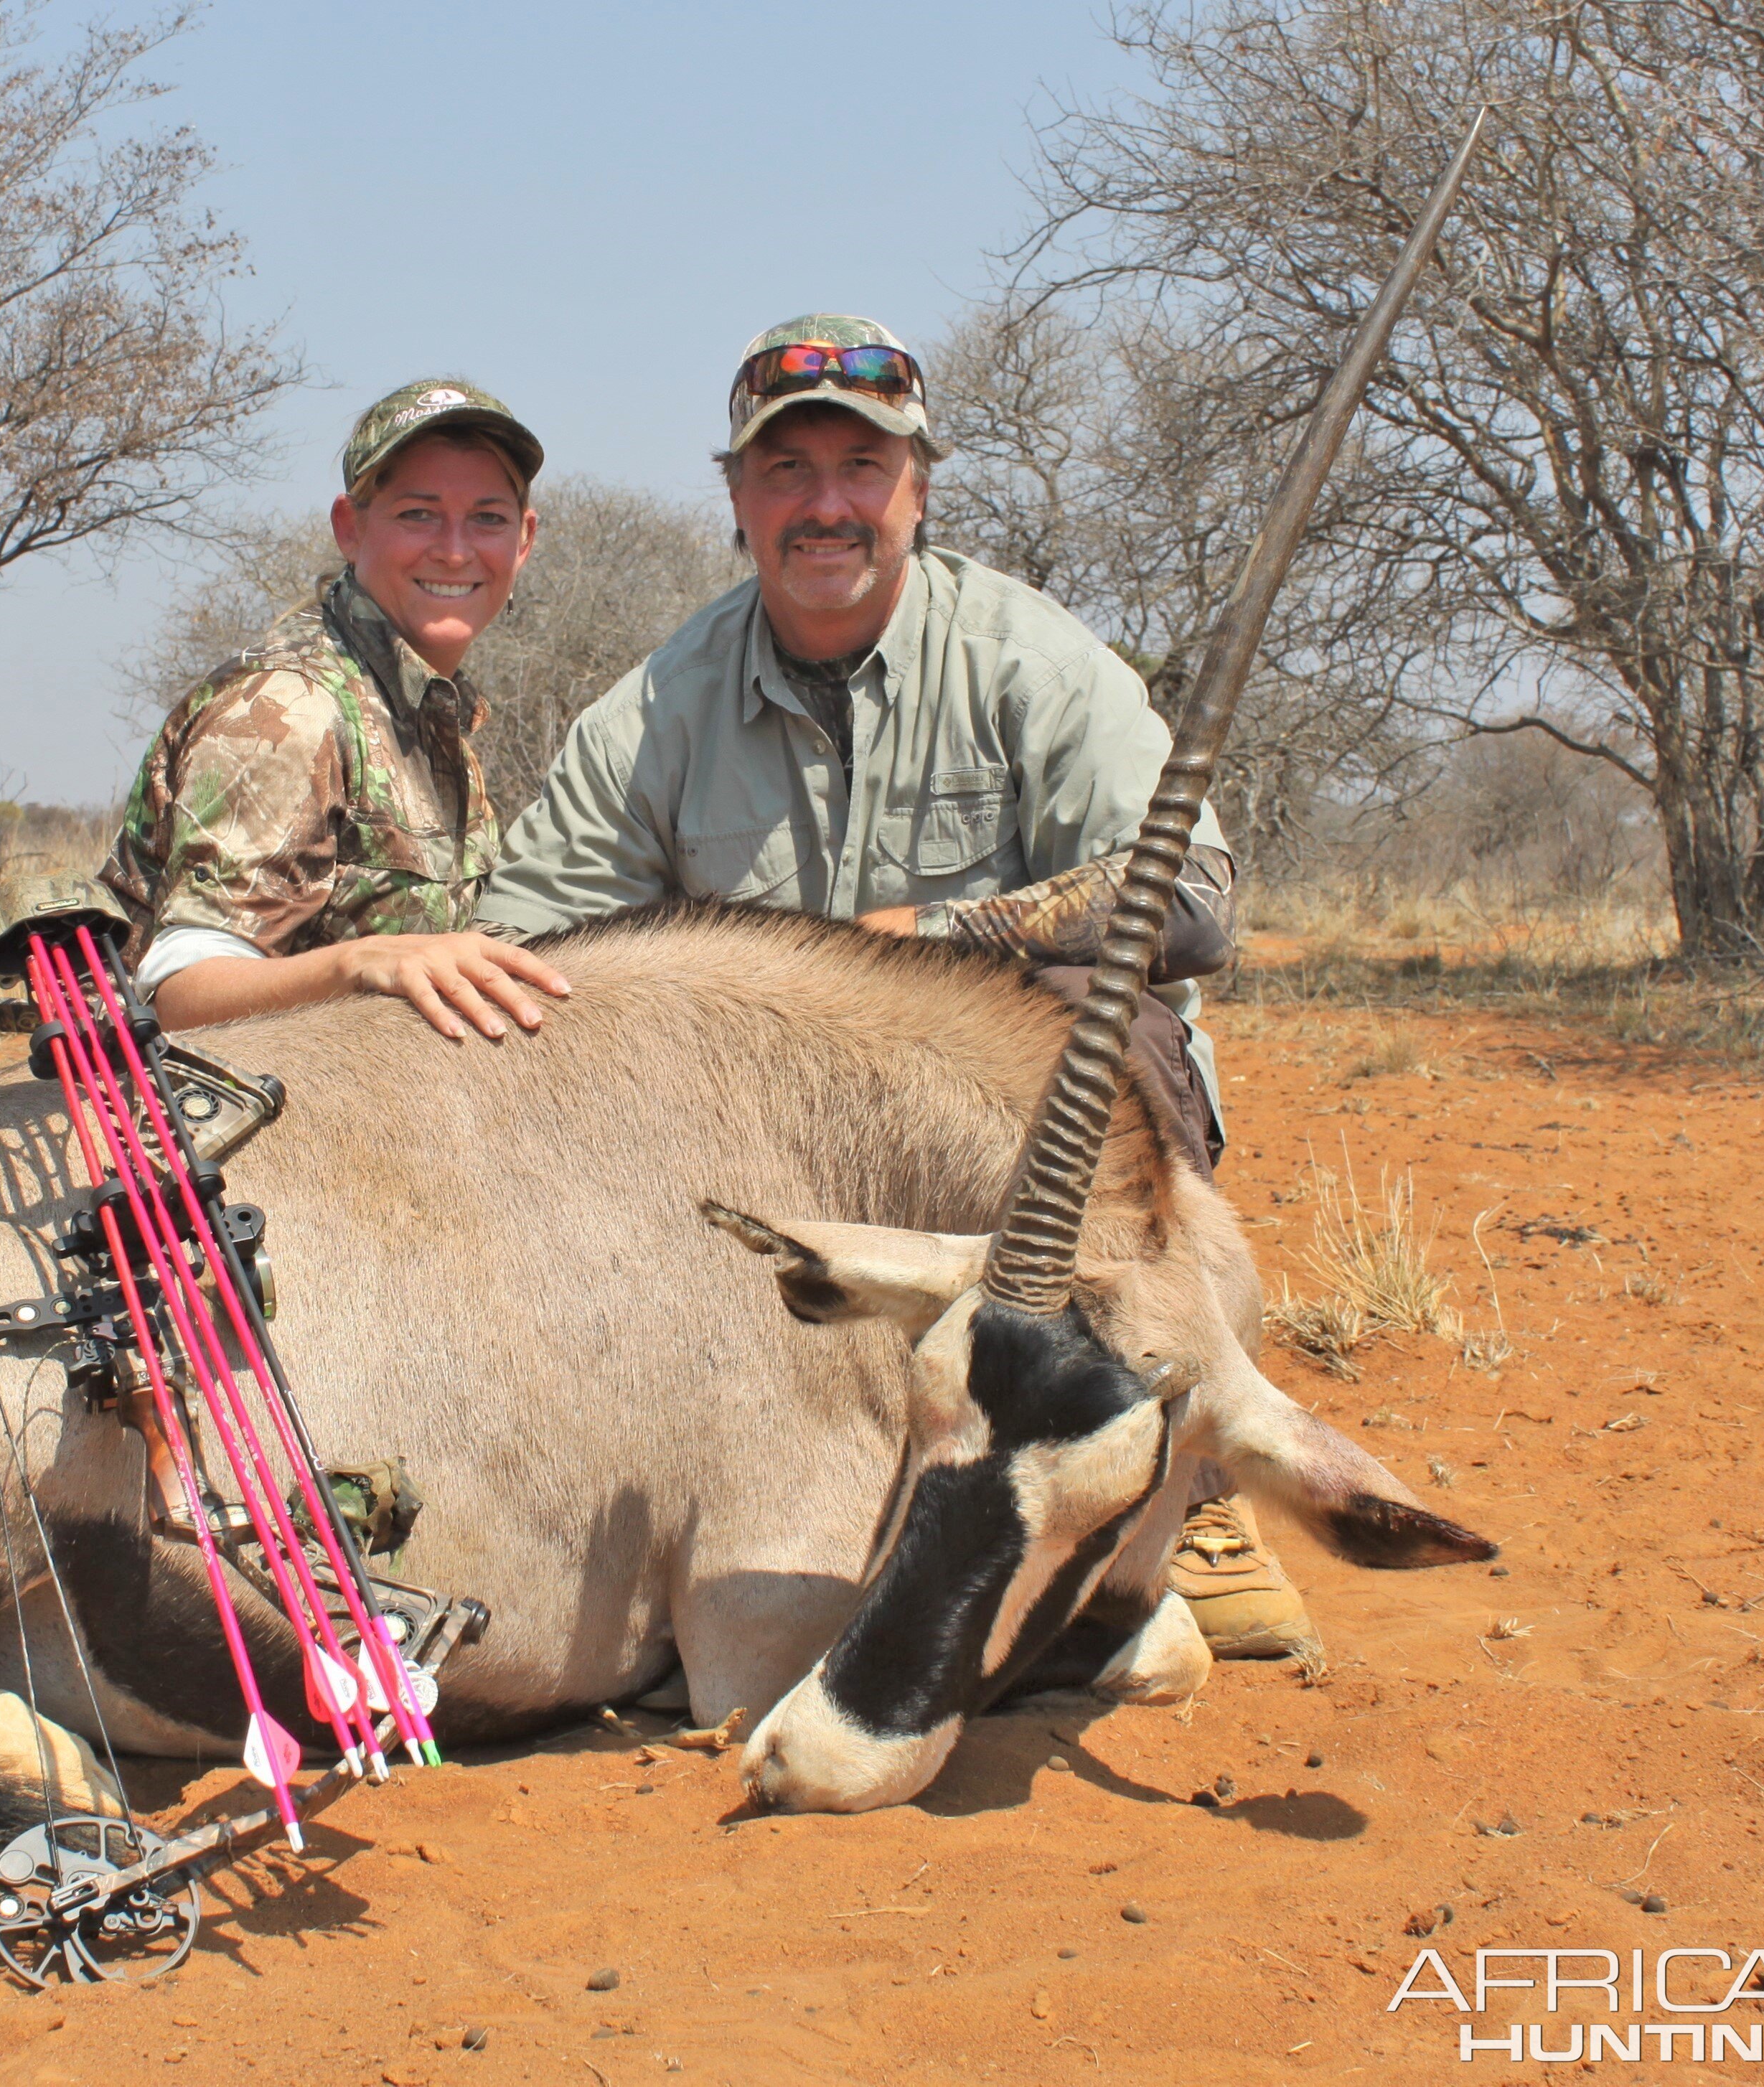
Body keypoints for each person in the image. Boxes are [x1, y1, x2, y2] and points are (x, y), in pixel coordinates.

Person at [472, 314, 1310, 1661]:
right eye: (784, 471)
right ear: (738, 499)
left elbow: (1196, 898)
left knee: (1113, 1022)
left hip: (1001, 1146)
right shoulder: (661, 703)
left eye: (860, 467)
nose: (824, 505)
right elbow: (522, 932)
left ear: (918, 484)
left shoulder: (1028, 658)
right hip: (771, 1141)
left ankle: (1185, 1485)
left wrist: (931, 932)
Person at [97, 378, 573, 1043]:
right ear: (350, 529)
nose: (455, 550)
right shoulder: (290, 707)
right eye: (418, 513)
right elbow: (181, 993)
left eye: (487, 518)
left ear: (522, 541)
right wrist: (360, 963)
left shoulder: (427, 708)